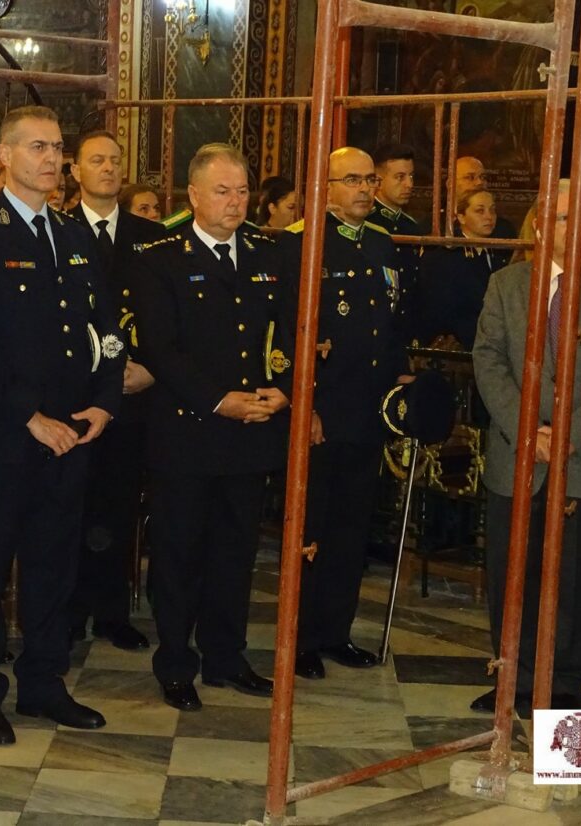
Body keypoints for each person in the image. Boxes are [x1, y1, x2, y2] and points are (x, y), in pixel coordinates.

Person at [0, 105, 124, 746]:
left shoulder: (73, 235)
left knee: (54, 567)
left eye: (56, 148)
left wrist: (105, 400)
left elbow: (106, 327)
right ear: (5, 156)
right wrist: (28, 416)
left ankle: (45, 682)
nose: (51, 159)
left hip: (71, 433)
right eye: (37, 147)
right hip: (1, 438)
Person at [470, 180, 581, 714]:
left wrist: (570, 435)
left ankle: (565, 681)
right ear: (542, 223)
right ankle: (513, 677)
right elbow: (488, 360)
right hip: (517, 453)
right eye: (569, 217)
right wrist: (530, 431)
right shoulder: (508, 285)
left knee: (573, 579)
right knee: (510, 574)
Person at [133, 143, 292, 712]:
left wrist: (284, 388)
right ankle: (176, 663)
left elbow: (292, 331)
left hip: (251, 432)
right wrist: (219, 400)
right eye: (222, 191)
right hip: (188, 433)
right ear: (194, 196)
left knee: (235, 552)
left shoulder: (269, 254)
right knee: (178, 554)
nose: (235, 202)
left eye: (242, 191)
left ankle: (226, 656)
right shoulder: (160, 258)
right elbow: (161, 348)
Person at [285, 147, 408, 681]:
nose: (363, 189)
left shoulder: (381, 242)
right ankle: (301, 636)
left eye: (369, 180)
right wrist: (305, 403)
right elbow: (288, 334)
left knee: (351, 527)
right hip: (322, 408)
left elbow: (390, 322)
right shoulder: (301, 242)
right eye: (351, 179)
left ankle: (336, 630)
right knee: (312, 525)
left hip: (366, 408)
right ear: (326, 186)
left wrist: (400, 377)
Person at [66, 130, 166, 651]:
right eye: (96, 160)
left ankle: (112, 611)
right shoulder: (57, 229)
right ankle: (68, 611)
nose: (107, 168)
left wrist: (152, 368)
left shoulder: (150, 236)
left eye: (114, 160)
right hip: (74, 395)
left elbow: (166, 316)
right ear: (75, 171)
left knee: (119, 506)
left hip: (133, 394)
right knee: (69, 508)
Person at [418, 188, 511, 350]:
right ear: (461, 217)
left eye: (492, 210)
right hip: (459, 345)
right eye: (480, 211)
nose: (489, 217)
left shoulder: (498, 251)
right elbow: (440, 308)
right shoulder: (445, 254)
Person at [369, 143, 425, 343]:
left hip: (405, 327)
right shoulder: (368, 222)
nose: (409, 184)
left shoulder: (411, 226)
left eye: (411, 176)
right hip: (373, 325)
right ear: (378, 180)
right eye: (400, 177)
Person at [454, 156, 515, 238]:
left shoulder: (503, 230)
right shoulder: (437, 226)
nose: (479, 182)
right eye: (470, 177)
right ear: (450, 183)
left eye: (483, 177)